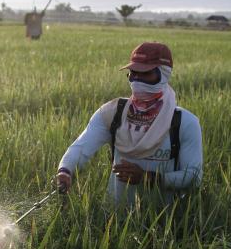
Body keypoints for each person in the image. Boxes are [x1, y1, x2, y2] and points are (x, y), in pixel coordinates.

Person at [55, 42, 203, 207]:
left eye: (145, 73)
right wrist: (65, 170)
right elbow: (81, 148)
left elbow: (193, 177)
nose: (137, 80)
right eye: (133, 73)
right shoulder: (113, 113)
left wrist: (148, 178)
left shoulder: (184, 122)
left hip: (165, 222)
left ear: (164, 74)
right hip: (113, 219)